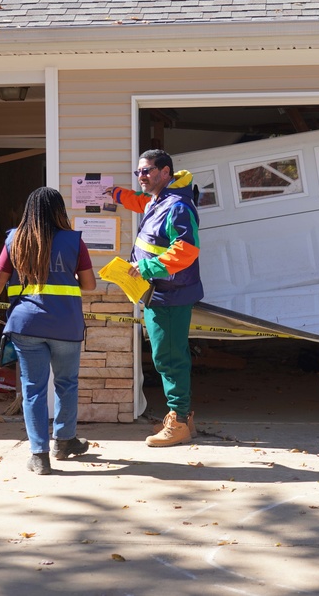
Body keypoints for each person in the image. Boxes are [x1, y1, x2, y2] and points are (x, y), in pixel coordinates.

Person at [0, 187, 96, 475]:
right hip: (65, 325)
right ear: (59, 210)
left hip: (26, 324)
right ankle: (65, 442)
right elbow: (90, 284)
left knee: (33, 390)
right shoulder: (73, 241)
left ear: (29, 210)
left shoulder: (15, 239)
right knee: (66, 384)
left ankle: (39, 456)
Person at [105, 149, 204, 447]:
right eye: (138, 172)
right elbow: (139, 201)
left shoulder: (177, 206)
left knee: (169, 358)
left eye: (146, 171)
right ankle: (185, 418)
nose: (141, 177)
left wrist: (145, 267)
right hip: (158, 293)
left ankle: (180, 422)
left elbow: (186, 250)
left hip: (170, 295)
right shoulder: (157, 200)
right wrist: (117, 194)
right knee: (167, 356)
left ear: (165, 172)